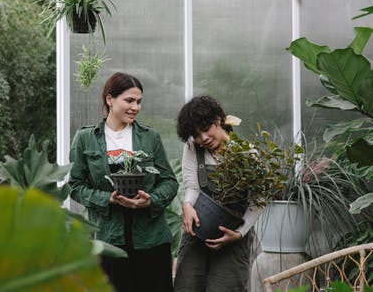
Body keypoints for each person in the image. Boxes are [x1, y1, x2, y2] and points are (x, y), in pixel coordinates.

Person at [68, 72, 178, 292]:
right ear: (110, 99)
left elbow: (169, 181)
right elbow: (75, 186)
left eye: (138, 102)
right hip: (108, 239)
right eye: (129, 100)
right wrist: (106, 198)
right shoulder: (86, 138)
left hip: (151, 239)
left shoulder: (150, 137)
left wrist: (150, 200)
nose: (135, 107)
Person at [173, 95, 262, 292]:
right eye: (196, 135)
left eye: (205, 129)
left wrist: (238, 234)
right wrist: (187, 206)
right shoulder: (192, 148)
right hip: (196, 234)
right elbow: (192, 187)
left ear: (218, 120)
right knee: (187, 286)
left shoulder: (246, 154)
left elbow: (259, 200)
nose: (202, 138)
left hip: (231, 239)